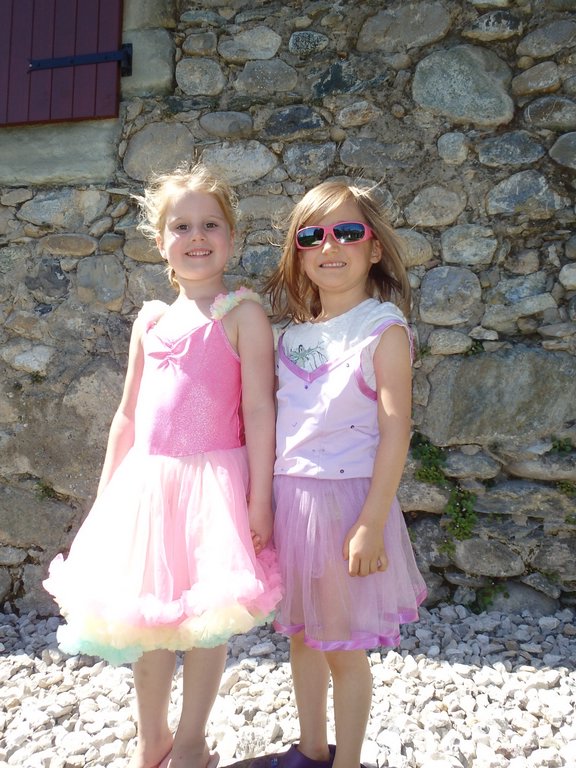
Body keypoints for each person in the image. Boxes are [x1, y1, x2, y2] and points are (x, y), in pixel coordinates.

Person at [44, 164, 282, 768]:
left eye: (211, 225)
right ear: (159, 241)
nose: (196, 237)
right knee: (147, 617)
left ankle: (192, 741)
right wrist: (105, 500)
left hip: (213, 490)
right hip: (146, 489)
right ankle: (153, 737)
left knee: (206, 617)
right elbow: (127, 415)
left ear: (231, 236)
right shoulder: (149, 321)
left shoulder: (242, 315)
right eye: (181, 226)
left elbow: (259, 410)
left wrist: (259, 499)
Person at [255, 180, 427, 768]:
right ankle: (310, 750)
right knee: (304, 636)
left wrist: (371, 524)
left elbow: (395, 431)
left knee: (343, 649)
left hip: (347, 507)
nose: (330, 246)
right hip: (293, 503)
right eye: (313, 236)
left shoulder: (383, 330)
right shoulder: (290, 337)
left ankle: (347, 761)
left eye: (347, 232)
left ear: (373, 248)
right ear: (298, 253)